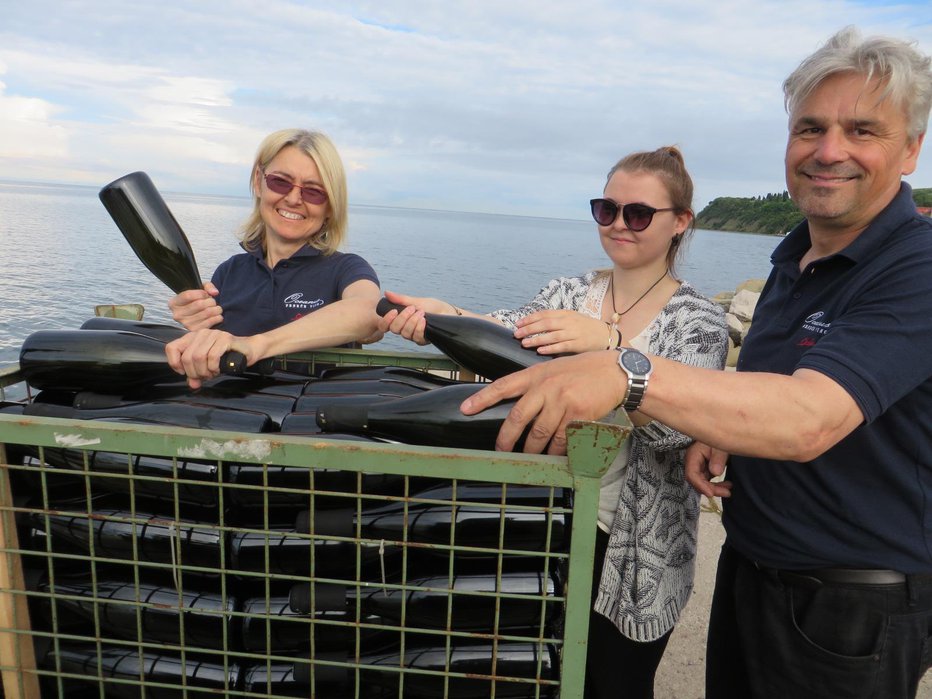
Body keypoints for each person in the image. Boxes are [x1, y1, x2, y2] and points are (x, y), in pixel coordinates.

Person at [461, 26, 932, 698]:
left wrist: (629, 370)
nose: (829, 151)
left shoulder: (915, 265)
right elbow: (781, 384)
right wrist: (721, 426)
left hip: (850, 600)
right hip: (753, 568)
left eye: (862, 130)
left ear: (911, 146)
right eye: (810, 128)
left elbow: (808, 416)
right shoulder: (796, 261)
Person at [379, 146, 729, 699]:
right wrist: (439, 314)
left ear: (680, 222)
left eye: (638, 214)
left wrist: (612, 348)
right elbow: (503, 335)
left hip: (633, 556)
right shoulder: (569, 294)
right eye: (605, 209)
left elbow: (678, 431)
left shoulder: (698, 318)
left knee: (614, 684)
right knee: (535, 674)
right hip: (546, 531)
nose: (618, 224)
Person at [164, 129, 381, 387]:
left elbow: (369, 314)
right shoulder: (229, 272)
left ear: (330, 207)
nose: (293, 199)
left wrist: (255, 345)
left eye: (313, 192)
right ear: (259, 181)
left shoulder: (346, 269)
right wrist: (196, 324)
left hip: (313, 419)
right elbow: (210, 355)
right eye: (281, 182)